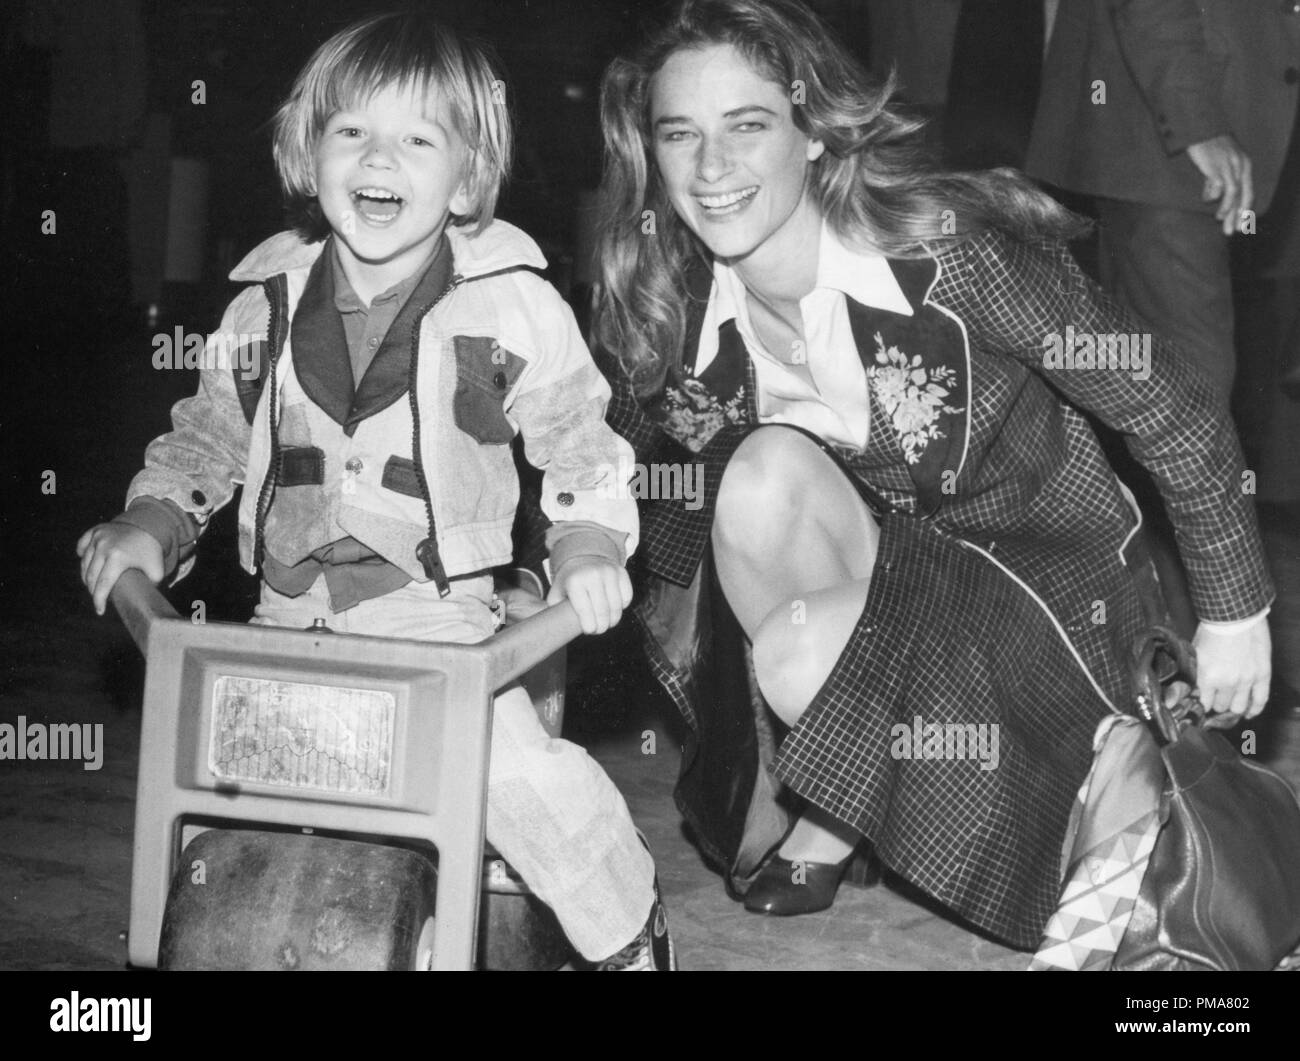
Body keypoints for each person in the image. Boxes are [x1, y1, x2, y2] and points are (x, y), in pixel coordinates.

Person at [593, 0, 1273, 950]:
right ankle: (845, 800)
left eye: (748, 127)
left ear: (816, 136)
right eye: (680, 135)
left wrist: (1235, 609)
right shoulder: (668, 301)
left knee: (795, 656)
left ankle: (1092, 786)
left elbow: (1169, 399)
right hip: (899, 582)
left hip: (1048, 586)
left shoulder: (953, 253)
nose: (711, 169)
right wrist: (547, 593)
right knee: (754, 481)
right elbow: (615, 477)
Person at [76, 12, 674, 971]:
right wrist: (151, 521)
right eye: (351, 130)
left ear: (467, 177)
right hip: (284, 626)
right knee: (199, 790)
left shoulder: (511, 305)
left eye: (418, 137)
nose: (377, 156)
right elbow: (205, 441)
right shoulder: (261, 306)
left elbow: (579, 441)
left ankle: (628, 939)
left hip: (441, 631)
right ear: (308, 154)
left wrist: (589, 544)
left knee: (526, 782)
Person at [1026, 0, 1300, 401]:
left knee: (1163, 388)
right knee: (1193, 389)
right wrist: (1198, 126)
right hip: (1170, 141)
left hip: (1216, 122)